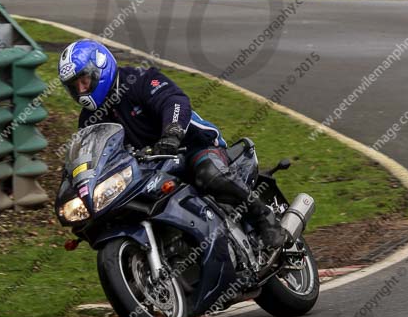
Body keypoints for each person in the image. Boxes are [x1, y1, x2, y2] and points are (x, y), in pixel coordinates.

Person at [57, 39, 285, 249]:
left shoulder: (138, 80)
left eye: (84, 82)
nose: (80, 91)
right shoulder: (88, 120)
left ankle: (265, 219)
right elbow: (91, 156)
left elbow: (174, 101)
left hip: (191, 146)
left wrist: (172, 133)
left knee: (209, 173)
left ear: (100, 69)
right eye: (73, 87)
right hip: (147, 170)